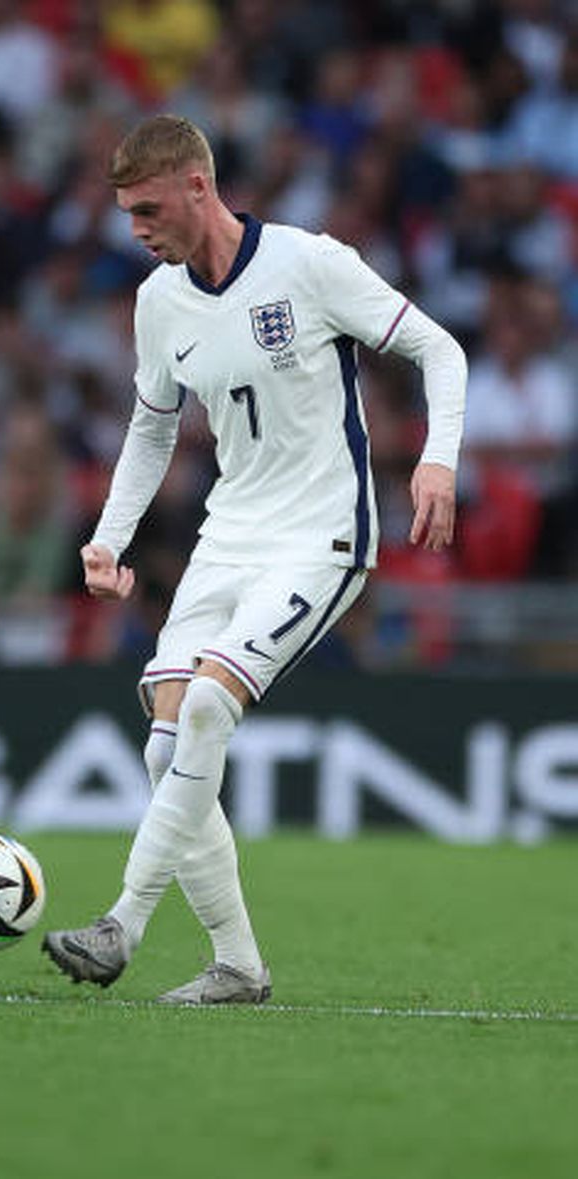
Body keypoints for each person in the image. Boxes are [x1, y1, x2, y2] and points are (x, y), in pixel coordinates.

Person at [42, 116, 465, 1004]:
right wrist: (110, 538)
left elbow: (440, 347)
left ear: (200, 184)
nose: (137, 230)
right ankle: (238, 964)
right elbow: (153, 426)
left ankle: (121, 922)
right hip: (229, 534)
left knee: (205, 703)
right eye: (126, 213)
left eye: (149, 208)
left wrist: (438, 457)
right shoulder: (158, 301)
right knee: (167, 746)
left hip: (322, 534)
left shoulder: (309, 265)